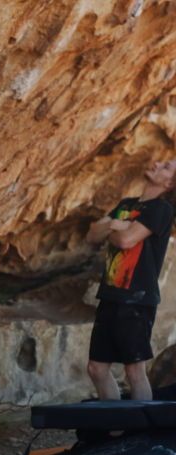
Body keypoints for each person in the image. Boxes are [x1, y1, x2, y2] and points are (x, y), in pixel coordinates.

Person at [85, 158, 176, 400]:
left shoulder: (161, 209)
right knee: (96, 368)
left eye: (166, 167)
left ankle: (142, 433)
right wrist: (119, 226)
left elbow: (126, 241)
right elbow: (92, 234)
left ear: (169, 183)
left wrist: (114, 227)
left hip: (137, 299)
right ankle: (115, 430)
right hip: (110, 294)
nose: (157, 163)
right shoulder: (127, 203)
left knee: (134, 370)